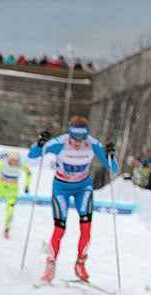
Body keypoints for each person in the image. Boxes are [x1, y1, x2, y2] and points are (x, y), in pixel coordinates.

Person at [28, 115, 118, 284]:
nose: (77, 143)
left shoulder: (93, 144)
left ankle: (80, 264)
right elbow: (33, 155)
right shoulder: (60, 143)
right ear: (69, 134)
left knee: (86, 228)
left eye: (81, 139)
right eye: (74, 139)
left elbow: (113, 167)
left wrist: (110, 155)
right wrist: (40, 143)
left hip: (82, 188)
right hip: (61, 188)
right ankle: (50, 264)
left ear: (86, 135)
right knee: (60, 229)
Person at [0, 151, 32, 239]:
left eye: (15, 160)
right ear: (9, 159)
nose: (13, 162)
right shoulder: (2, 164)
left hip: (12, 191)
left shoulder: (21, 165)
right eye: (12, 160)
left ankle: (7, 229)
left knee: (10, 210)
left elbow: (29, 173)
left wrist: (27, 185)